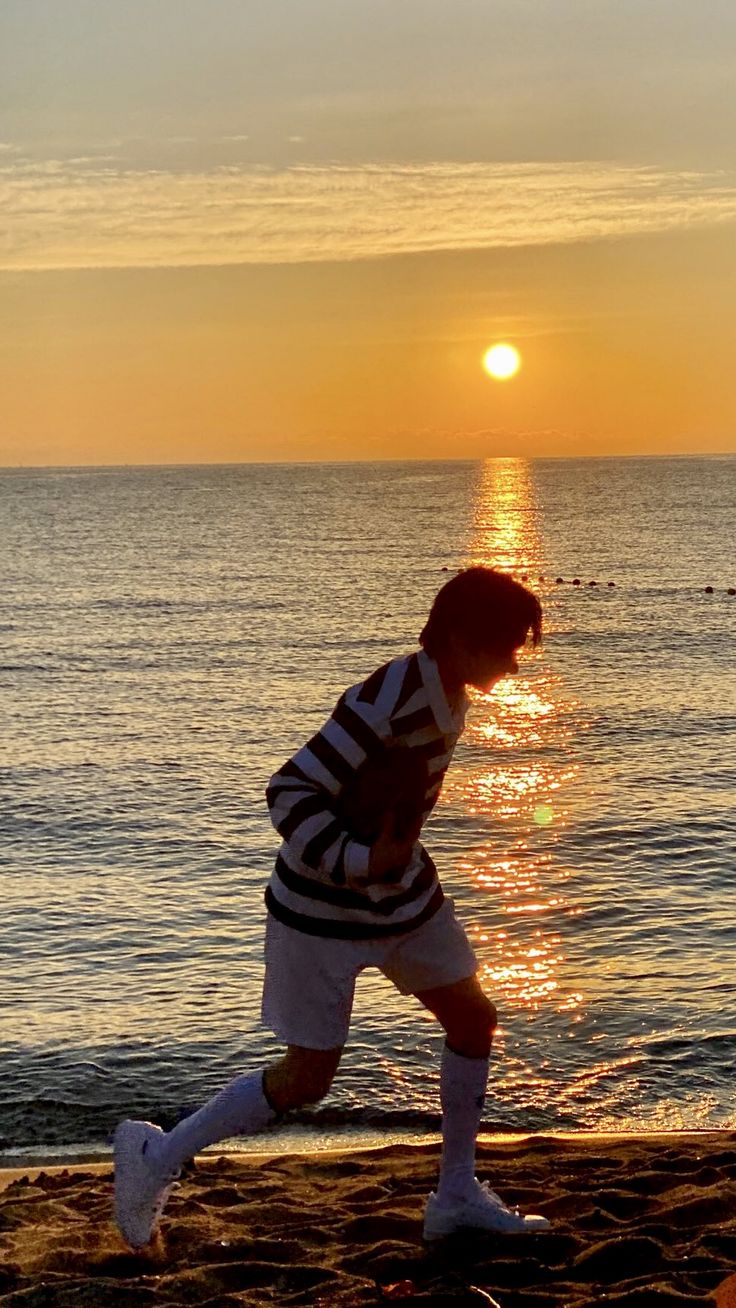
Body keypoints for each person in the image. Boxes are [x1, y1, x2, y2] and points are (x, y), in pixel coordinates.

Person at [113, 566, 550, 1247]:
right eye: (507, 647)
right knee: (307, 1079)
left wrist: (386, 860)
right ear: (462, 640)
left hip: (401, 897)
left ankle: (455, 1194)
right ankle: (157, 1156)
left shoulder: (449, 690)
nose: (515, 666)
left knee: (472, 1017)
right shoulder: (390, 696)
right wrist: (356, 861)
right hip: (318, 908)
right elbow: (288, 791)